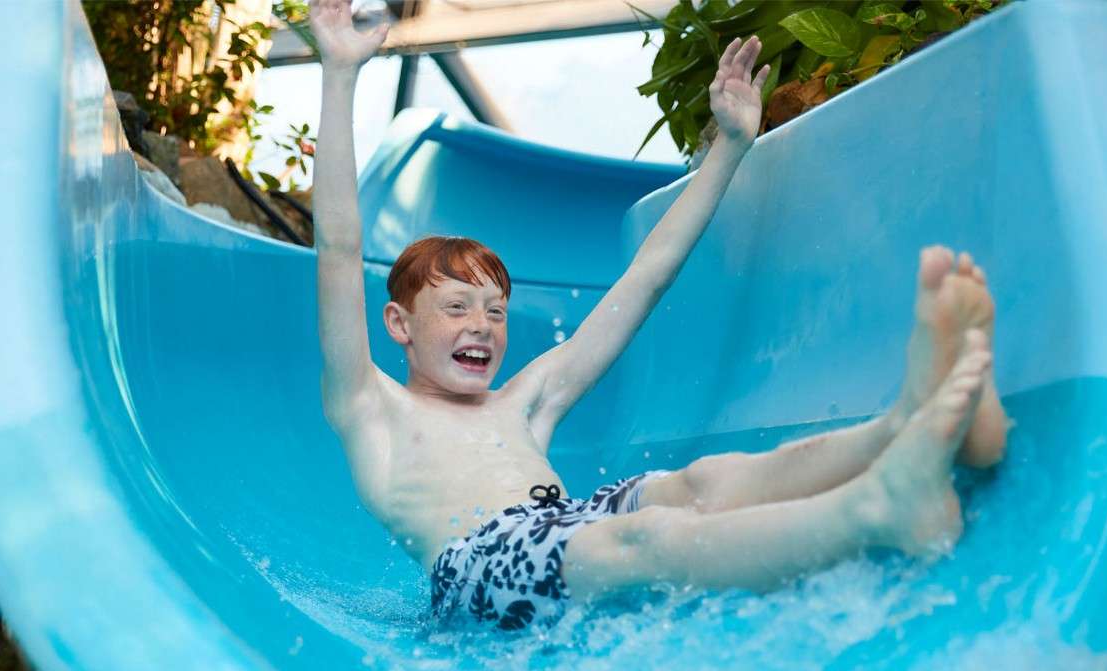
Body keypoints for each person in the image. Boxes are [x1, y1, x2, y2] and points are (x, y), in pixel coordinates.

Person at [308, 0, 1008, 631]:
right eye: (456, 308)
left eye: (495, 311)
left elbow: (645, 279)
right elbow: (339, 249)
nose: (482, 327)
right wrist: (340, 73)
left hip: (567, 525)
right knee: (637, 541)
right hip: (479, 570)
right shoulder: (371, 405)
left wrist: (729, 149)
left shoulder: (522, 404)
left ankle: (903, 426)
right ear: (399, 325)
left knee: (698, 483)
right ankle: (876, 508)